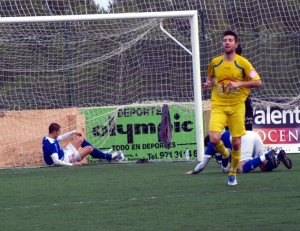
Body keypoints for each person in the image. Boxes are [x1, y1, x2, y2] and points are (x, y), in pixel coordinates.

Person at [203, 30, 262, 185]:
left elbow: (258, 82)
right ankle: (225, 153)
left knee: (236, 142)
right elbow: (210, 75)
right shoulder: (215, 62)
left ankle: (233, 173)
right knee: (214, 138)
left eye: (230, 40)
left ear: (236, 44)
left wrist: (239, 83)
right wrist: (208, 83)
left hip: (237, 106)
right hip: (219, 105)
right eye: (224, 40)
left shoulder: (243, 63)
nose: (227, 42)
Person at [185, 130, 292, 175]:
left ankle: (269, 155)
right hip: (253, 135)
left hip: (244, 139)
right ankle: (278, 157)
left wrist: (194, 171)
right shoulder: (222, 135)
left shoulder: (211, 143)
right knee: (264, 167)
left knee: (241, 169)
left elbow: (203, 163)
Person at [42, 123, 124, 167]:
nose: (59, 134)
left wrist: (74, 132)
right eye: (59, 132)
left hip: (65, 153)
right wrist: (72, 164)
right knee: (89, 148)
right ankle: (108, 157)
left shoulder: (47, 137)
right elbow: (56, 161)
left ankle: (101, 155)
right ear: (54, 132)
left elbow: (61, 137)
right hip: (66, 159)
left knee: (81, 139)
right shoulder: (51, 144)